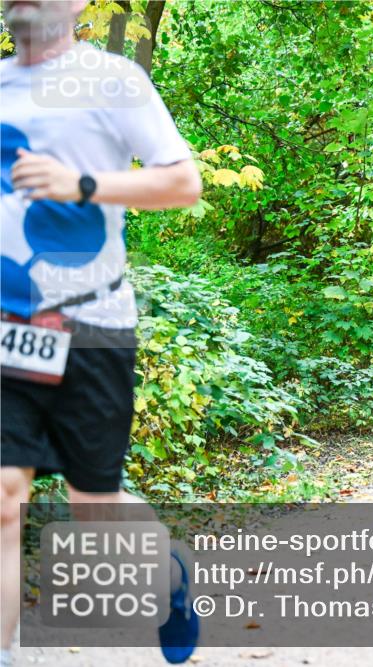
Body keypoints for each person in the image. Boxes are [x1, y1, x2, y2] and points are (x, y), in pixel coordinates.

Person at [1, 1, 202, 664]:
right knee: (4, 497)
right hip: (5, 326)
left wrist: (81, 184)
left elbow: (183, 182)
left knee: (95, 510)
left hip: (92, 324)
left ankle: (169, 577)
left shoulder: (113, 79)